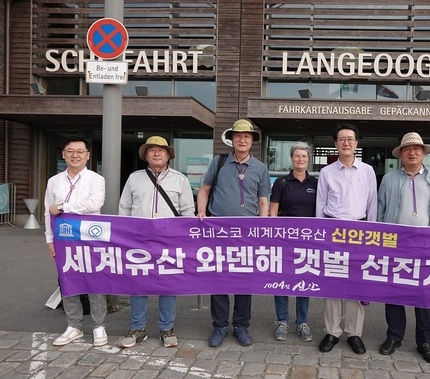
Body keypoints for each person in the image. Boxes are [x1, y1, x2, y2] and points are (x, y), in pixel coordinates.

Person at [377, 132, 430, 363]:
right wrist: (380, 241)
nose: (412, 152)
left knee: (425, 293)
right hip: (396, 244)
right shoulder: (389, 179)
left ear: (423, 153)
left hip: (428, 245)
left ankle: (425, 341)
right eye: (407, 149)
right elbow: (380, 209)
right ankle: (394, 336)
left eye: (416, 149)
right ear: (401, 154)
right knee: (394, 291)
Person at [197, 119, 271, 348]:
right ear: (232, 139)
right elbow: (205, 189)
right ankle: (219, 326)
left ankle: (241, 325)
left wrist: (262, 224)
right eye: (238, 135)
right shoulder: (219, 162)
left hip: (247, 232)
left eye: (246, 136)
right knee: (218, 277)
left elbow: (263, 199)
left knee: (243, 279)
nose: (242, 139)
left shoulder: (260, 168)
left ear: (252, 141)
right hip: (219, 228)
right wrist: (201, 212)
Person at [118, 136, 195, 348]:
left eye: (161, 150)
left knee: (167, 284)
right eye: (152, 150)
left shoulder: (180, 179)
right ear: (146, 155)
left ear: (169, 154)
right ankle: (137, 328)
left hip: (169, 240)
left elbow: (188, 211)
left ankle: (166, 328)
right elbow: (124, 207)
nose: (157, 153)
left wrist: (183, 237)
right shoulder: (135, 178)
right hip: (138, 239)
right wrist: (125, 234)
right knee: (138, 283)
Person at [316, 122, 377, 355]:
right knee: (332, 283)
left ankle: (354, 333)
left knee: (354, 283)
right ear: (335, 143)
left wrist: (372, 234)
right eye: (341, 139)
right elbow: (320, 205)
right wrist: (321, 235)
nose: (346, 142)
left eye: (350, 139)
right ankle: (332, 331)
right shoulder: (326, 172)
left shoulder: (368, 170)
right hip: (332, 231)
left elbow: (372, 203)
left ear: (356, 143)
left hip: (360, 232)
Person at [44, 134, 108, 347]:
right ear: (63, 154)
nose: (75, 155)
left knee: (95, 281)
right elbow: (47, 212)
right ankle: (74, 326)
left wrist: (63, 207)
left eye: (80, 151)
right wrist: (49, 239)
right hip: (63, 238)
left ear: (88, 156)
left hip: (92, 237)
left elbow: (94, 203)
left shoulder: (96, 179)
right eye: (70, 151)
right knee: (68, 280)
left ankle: (99, 326)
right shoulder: (54, 181)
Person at [269, 142, 318, 342]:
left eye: (304, 157)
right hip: (283, 241)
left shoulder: (315, 184)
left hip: (307, 242)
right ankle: (282, 321)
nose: (300, 160)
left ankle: (302, 322)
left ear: (308, 160)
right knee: (281, 282)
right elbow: (273, 212)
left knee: (304, 281)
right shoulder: (281, 182)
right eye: (297, 156)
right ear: (291, 158)